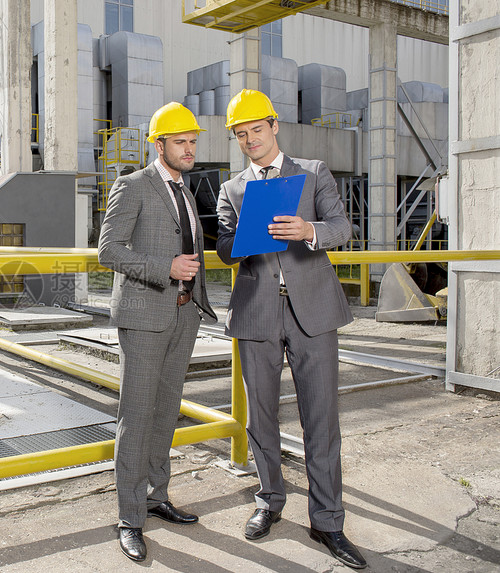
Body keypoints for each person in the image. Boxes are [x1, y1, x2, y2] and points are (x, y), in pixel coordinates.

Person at [216, 89, 367, 570]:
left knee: (321, 419)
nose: (249, 141)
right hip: (257, 311)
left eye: (255, 131)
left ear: (274, 126)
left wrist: (308, 231)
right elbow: (222, 246)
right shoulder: (232, 189)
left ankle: (328, 522)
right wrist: (240, 242)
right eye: (240, 135)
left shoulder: (313, 172)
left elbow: (342, 229)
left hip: (313, 314)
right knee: (260, 418)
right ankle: (269, 501)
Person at [98, 102, 217, 562]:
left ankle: (156, 495)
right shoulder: (133, 186)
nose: (189, 150)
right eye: (180, 142)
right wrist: (162, 268)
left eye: (193, 142)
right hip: (145, 316)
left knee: (166, 412)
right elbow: (109, 250)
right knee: (137, 415)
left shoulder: (187, 192)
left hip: (184, 315)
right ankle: (130, 517)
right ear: (158, 144)